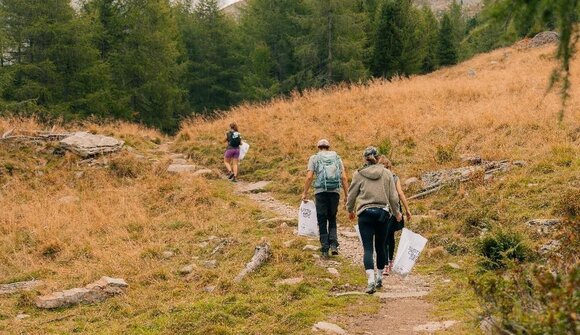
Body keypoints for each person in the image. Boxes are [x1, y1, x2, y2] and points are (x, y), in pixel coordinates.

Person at [346, 147, 402, 294]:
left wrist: (350, 210)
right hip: (383, 214)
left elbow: (351, 195)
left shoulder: (358, 174)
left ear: (365, 159)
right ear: (378, 158)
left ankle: (370, 281)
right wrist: (397, 213)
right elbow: (393, 197)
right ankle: (379, 278)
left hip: (365, 213)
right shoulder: (387, 173)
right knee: (381, 247)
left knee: (368, 249)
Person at [302, 139, 349, 258]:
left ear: (318, 147)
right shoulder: (337, 158)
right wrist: (347, 195)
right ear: (328, 147)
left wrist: (305, 193)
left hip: (320, 192)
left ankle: (324, 248)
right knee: (332, 217)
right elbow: (344, 177)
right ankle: (333, 244)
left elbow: (309, 177)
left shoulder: (314, 158)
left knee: (322, 219)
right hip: (335, 191)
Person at [378, 156, 412, 275]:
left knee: (383, 237)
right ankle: (389, 262)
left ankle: (385, 264)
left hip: (381, 209)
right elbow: (400, 193)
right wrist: (407, 209)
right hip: (394, 209)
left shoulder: (377, 177)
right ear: (390, 166)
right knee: (390, 236)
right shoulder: (394, 177)